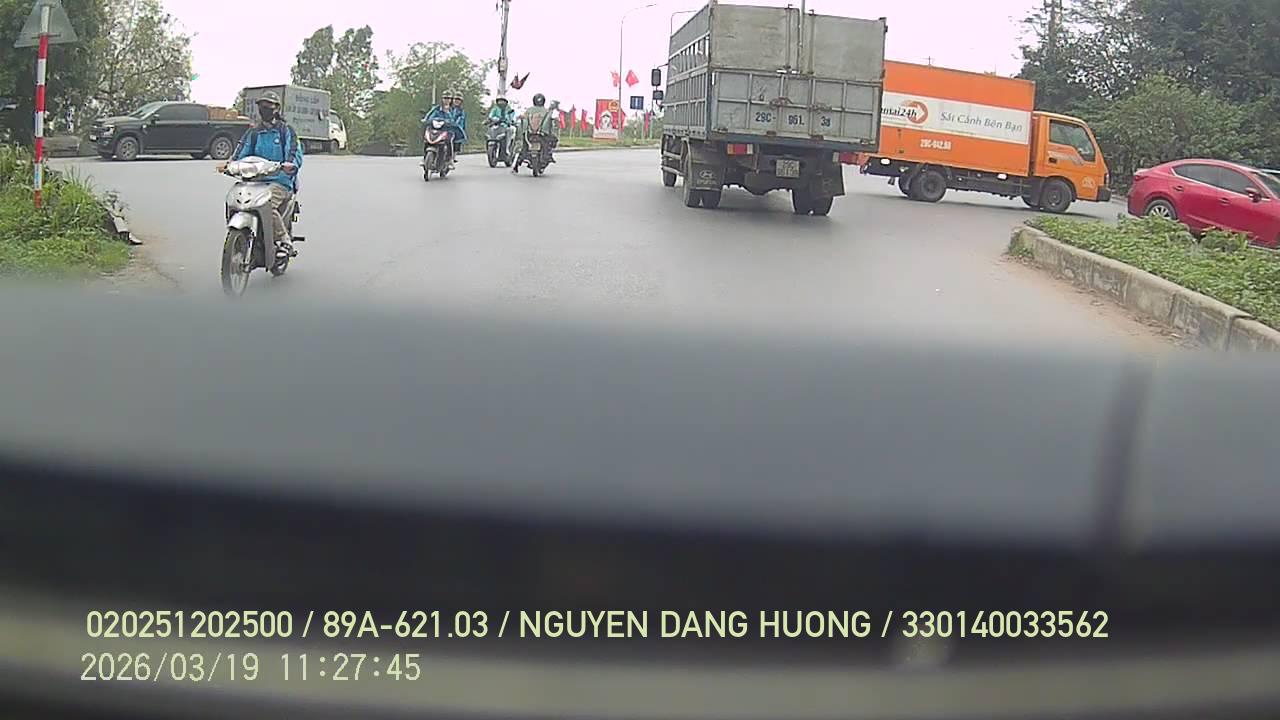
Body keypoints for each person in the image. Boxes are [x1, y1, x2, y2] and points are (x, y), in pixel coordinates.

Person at [217, 91, 302, 258]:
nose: (265, 109)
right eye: (262, 106)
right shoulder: (254, 133)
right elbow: (240, 152)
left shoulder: (286, 131)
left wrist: (289, 165)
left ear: (277, 108)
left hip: (280, 181)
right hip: (254, 181)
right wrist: (230, 165)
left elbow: (293, 153)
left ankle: (284, 240)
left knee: (268, 205)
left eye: (269, 105)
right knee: (234, 199)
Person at [512, 93, 557, 173]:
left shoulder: (530, 110)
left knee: (524, 149)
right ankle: (516, 166)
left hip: (531, 133)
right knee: (546, 147)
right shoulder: (546, 111)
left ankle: (516, 166)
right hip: (540, 134)